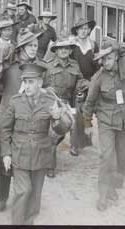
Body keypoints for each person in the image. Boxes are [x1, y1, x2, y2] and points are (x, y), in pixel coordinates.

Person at [1, 63, 71, 225]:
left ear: (39, 82)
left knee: (35, 194)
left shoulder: (50, 100)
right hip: (19, 153)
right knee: (23, 191)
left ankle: (29, 221)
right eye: (24, 82)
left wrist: (56, 118)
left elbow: (62, 130)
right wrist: (6, 154)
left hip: (41, 154)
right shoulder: (15, 101)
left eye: (30, 82)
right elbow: (5, 130)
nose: (26, 86)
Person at [0, 28, 46, 212]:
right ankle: (3, 197)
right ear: (22, 48)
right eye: (31, 45)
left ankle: (28, 198)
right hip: (6, 119)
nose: (34, 48)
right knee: (5, 157)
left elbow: (47, 90)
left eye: (36, 45)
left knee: (28, 158)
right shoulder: (10, 67)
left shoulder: (40, 68)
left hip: (30, 120)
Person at [82, 42, 125, 212]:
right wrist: (87, 124)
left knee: (122, 158)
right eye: (103, 59)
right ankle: (103, 193)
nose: (105, 62)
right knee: (107, 156)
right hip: (106, 120)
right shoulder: (99, 77)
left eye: (108, 58)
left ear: (116, 57)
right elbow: (89, 103)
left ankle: (112, 187)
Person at [44, 37, 89, 178]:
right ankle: (50, 167)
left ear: (70, 51)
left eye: (67, 48)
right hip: (51, 103)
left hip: (67, 103)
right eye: (61, 48)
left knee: (61, 134)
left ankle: (49, 153)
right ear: (56, 51)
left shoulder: (74, 65)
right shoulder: (48, 65)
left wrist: (82, 90)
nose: (64, 51)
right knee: (53, 135)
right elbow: (42, 85)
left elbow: (79, 81)